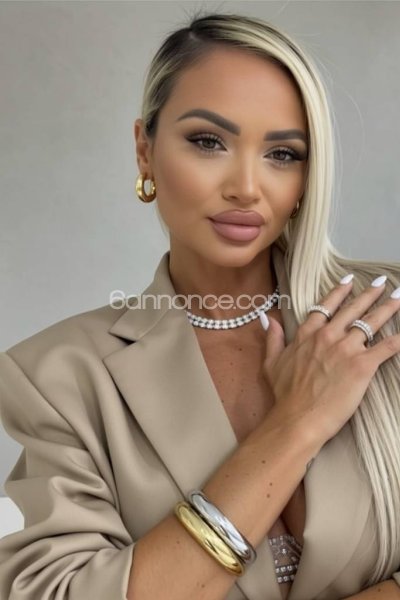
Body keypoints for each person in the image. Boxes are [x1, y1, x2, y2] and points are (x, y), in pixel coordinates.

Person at [0, 10, 400, 600]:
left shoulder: (385, 317)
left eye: (283, 153)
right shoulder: (57, 377)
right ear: (145, 151)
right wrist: (295, 424)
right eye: (208, 142)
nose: (246, 186)